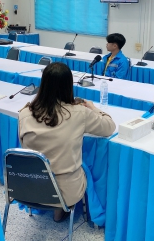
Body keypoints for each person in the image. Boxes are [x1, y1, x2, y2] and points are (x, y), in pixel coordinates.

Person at [19, 62, 116, 222]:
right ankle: (61, 210)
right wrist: (93, 108)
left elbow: (25, 147)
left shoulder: (24, 113)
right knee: (86, 166)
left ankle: (54, 206)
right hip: (65, 191)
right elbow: (109, 127)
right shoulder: (80, 113)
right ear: (68, 86)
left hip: (29, 185)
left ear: (43, 84)